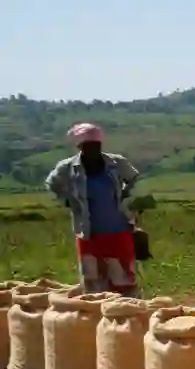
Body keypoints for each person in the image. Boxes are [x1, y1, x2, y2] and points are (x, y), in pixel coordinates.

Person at [44, 123, 142, 296]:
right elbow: (52, 184)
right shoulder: (67, 167)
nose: (93, 150)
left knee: (123, 277)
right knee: (93, 279)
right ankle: (96, 317)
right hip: (88, 232)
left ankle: (129, 314)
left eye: (96, 146)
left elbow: (134, 178)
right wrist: (67, 200)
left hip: (119, 229)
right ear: (79, 147)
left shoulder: (116, 163)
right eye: (88, 147)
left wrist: (127, 197)